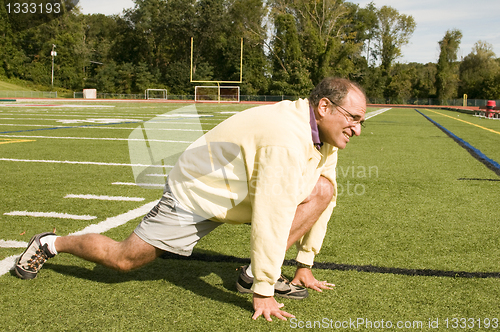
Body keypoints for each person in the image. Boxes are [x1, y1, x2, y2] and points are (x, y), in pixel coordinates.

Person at [15, 77, 366, 322]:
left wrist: (304, 263)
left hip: (237, 190)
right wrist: (263, 292)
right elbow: (270, 215)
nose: (358, 129)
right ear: (324, 107)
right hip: (198, 192)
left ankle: (252, 273)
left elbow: (325, 195)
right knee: (124, 260)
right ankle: (51, 243)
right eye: (353, 118)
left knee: (322, 188)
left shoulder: (321, 135)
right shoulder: (286, 138)